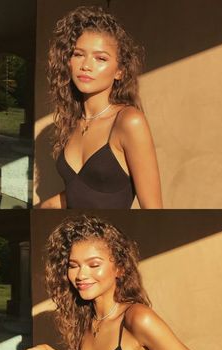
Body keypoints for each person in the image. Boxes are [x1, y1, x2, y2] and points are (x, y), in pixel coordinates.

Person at [14, 215, 218, 350]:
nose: (81, 275)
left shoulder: (137, 319)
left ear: (119, 268)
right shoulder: (86, 319)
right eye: (73, 265)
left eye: (94, 265)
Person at [40, 6, 162, 209]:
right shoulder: (71, 122)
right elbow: (80, 192)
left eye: (101, 58)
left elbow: (154, 209)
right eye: (78, 54)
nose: (86, 65)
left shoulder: (129, 121)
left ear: (120, 71)